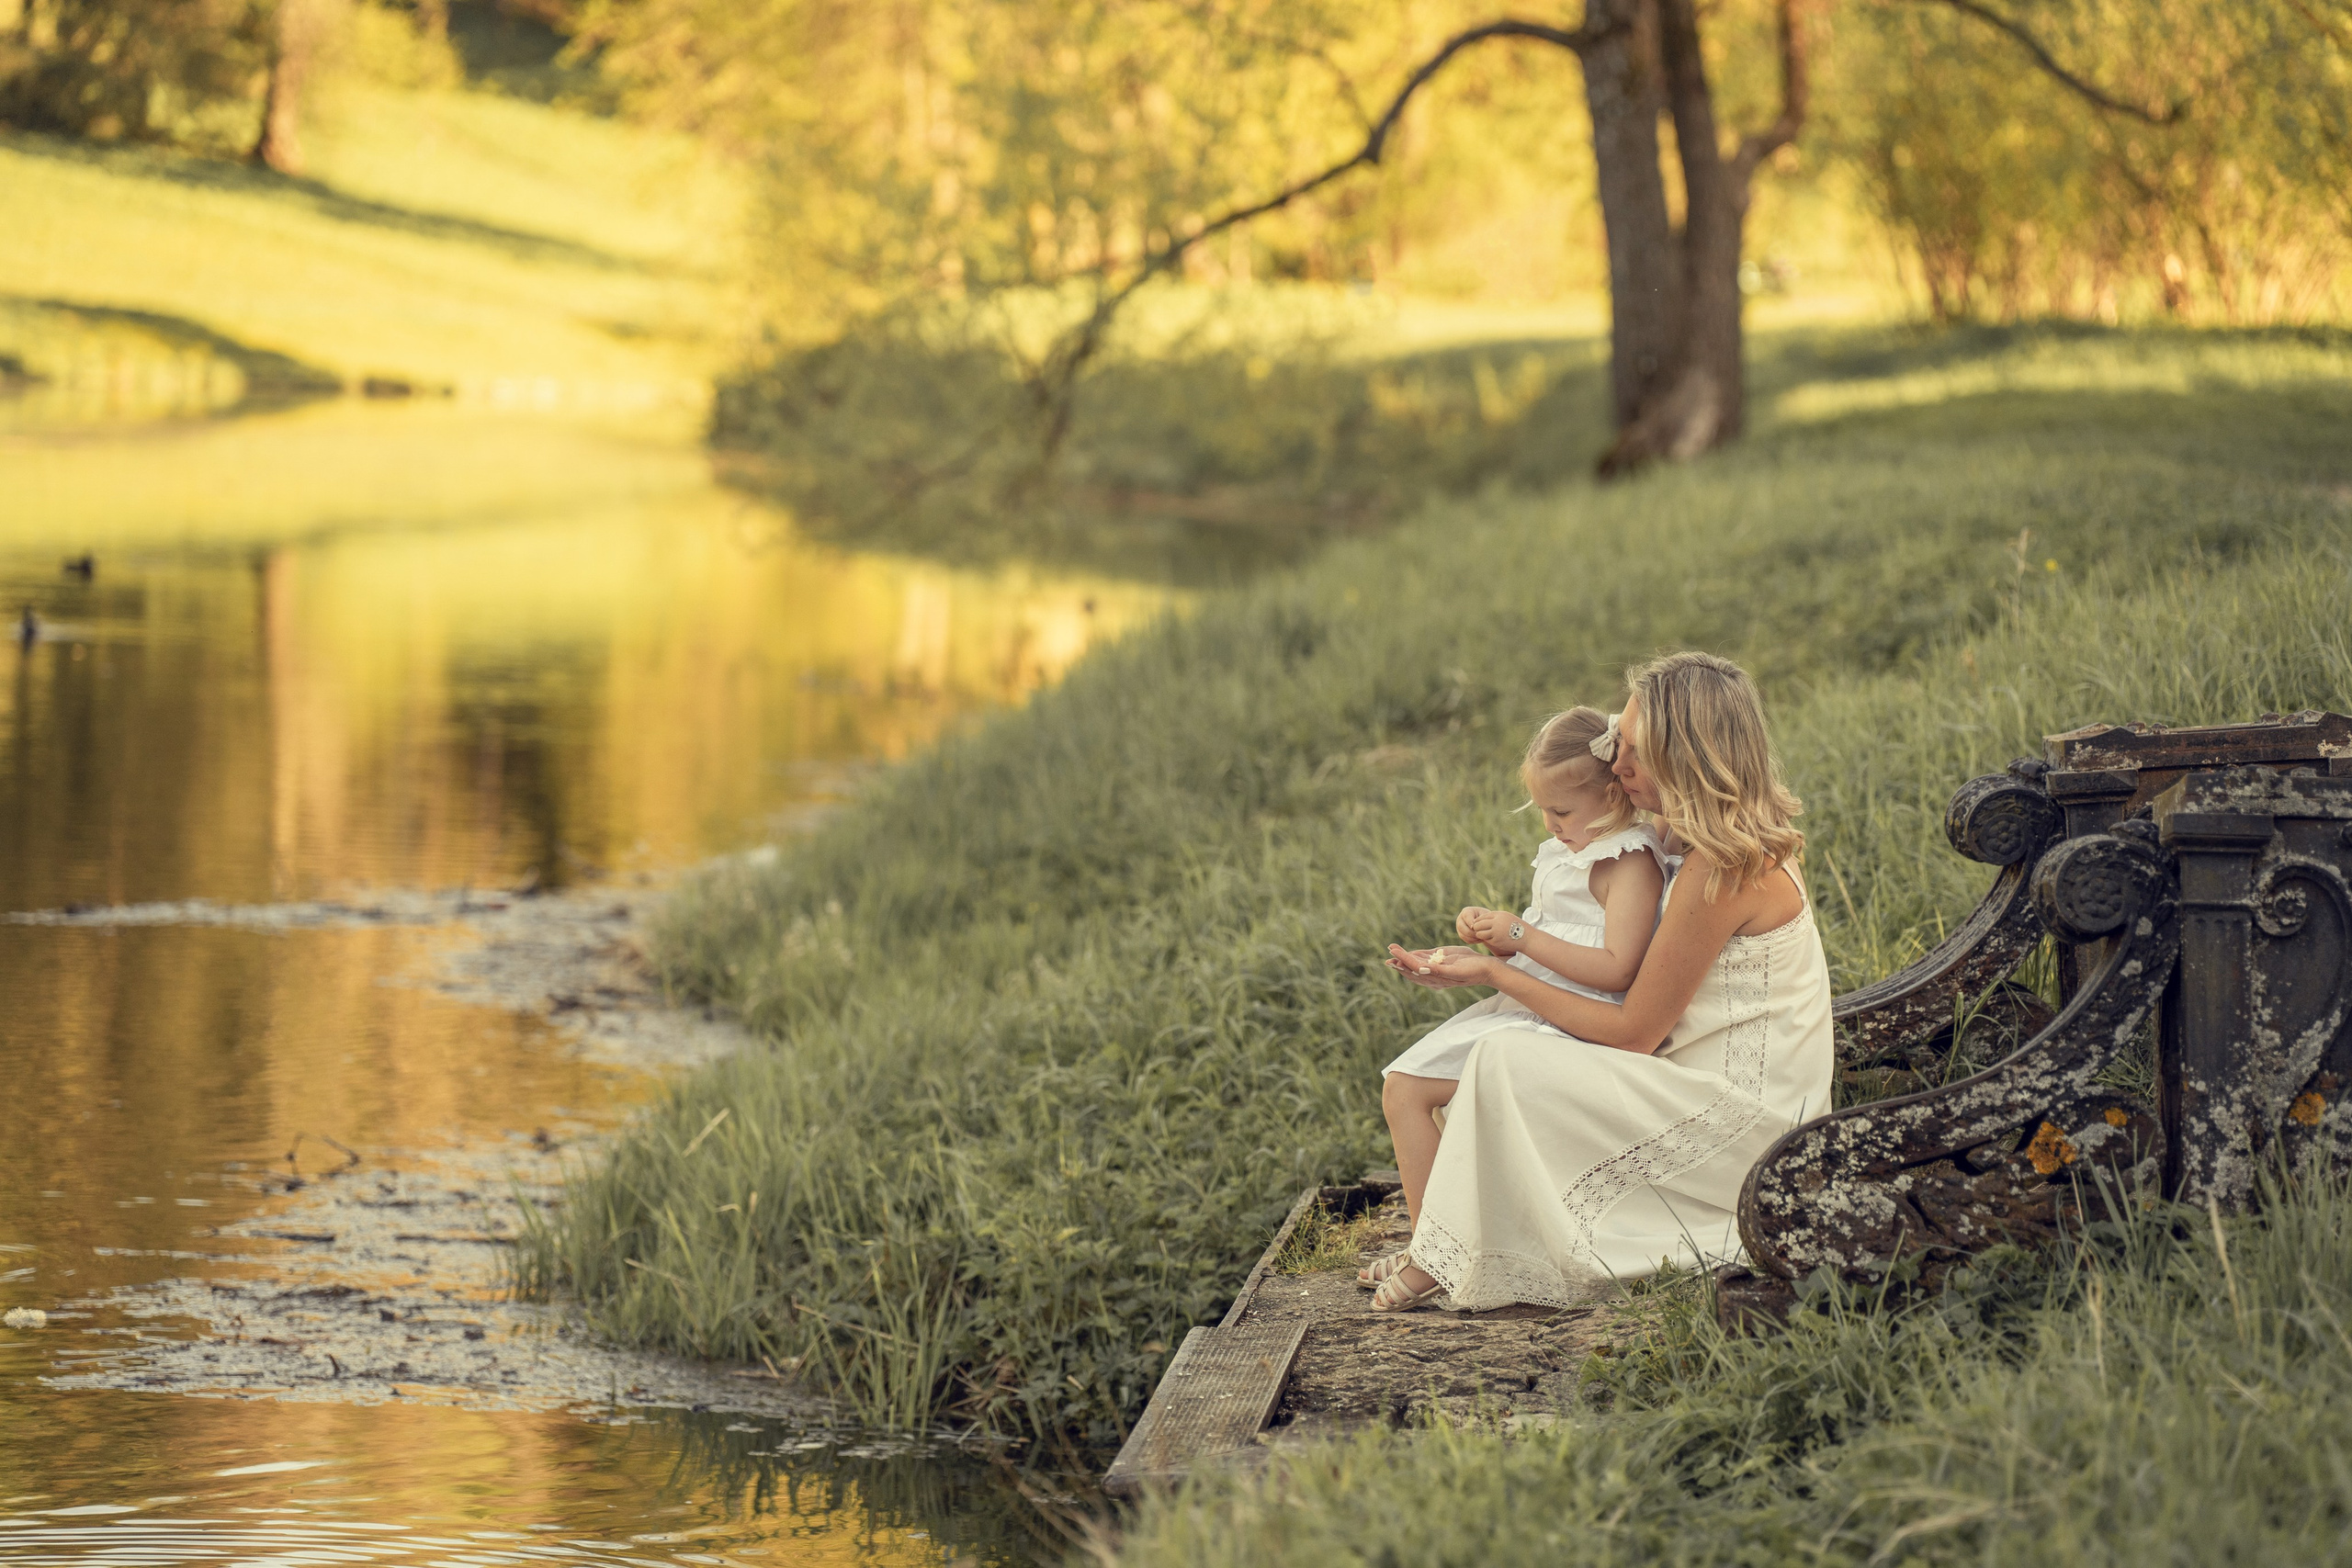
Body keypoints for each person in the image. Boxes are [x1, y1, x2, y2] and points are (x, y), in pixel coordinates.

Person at [1366, 651, 1833, 1314]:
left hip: (1740, 1119)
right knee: (1481, 1060)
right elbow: (1607, 747)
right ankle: (1439, 1242)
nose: (1616, 764)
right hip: (1688, 1073)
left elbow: (1634, 1031)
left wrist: (1500, 969)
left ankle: (1445, 1248)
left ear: (1687, 761)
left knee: (1506, 1055)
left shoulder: (1724, 869)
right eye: (1620, 744)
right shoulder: (1687, 836)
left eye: (1635, 753)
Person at [1363, 707, 1667, 1288]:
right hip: (1529, 1005)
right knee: (1402, 1088)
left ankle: (1435, 1254)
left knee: (1410, 1090)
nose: (1550, 825)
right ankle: (1429, 1243)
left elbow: (1619, 968)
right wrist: (1481, 950)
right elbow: (1551, 943)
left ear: (1612, 793)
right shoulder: (1570, 852)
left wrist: (1520, 936)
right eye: (1543, 812)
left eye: (1561, 811)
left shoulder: (1629, 862)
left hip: (1570, 1026)